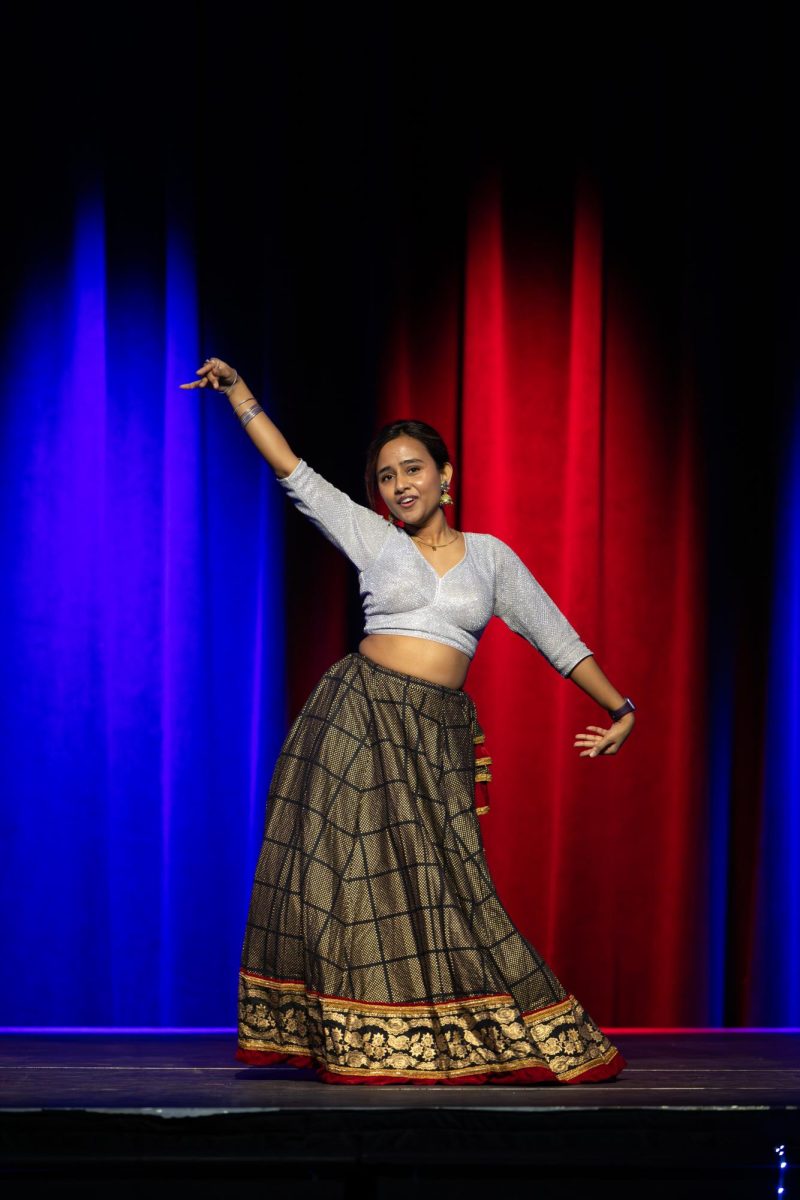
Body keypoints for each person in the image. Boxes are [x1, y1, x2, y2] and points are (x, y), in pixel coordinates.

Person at [181, 356, 635, 1085]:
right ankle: (358, 1036)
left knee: (449, 882)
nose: (400, 484)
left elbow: (557, 637)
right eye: (387, 476)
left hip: (434, 734)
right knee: (354, 881)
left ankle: (458, 1027)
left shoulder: (490, 559)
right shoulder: (374, 538)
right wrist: (242, 397)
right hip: (357, 718)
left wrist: (621, 707)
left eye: (413, 468)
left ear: (446, 476)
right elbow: (294, 472)